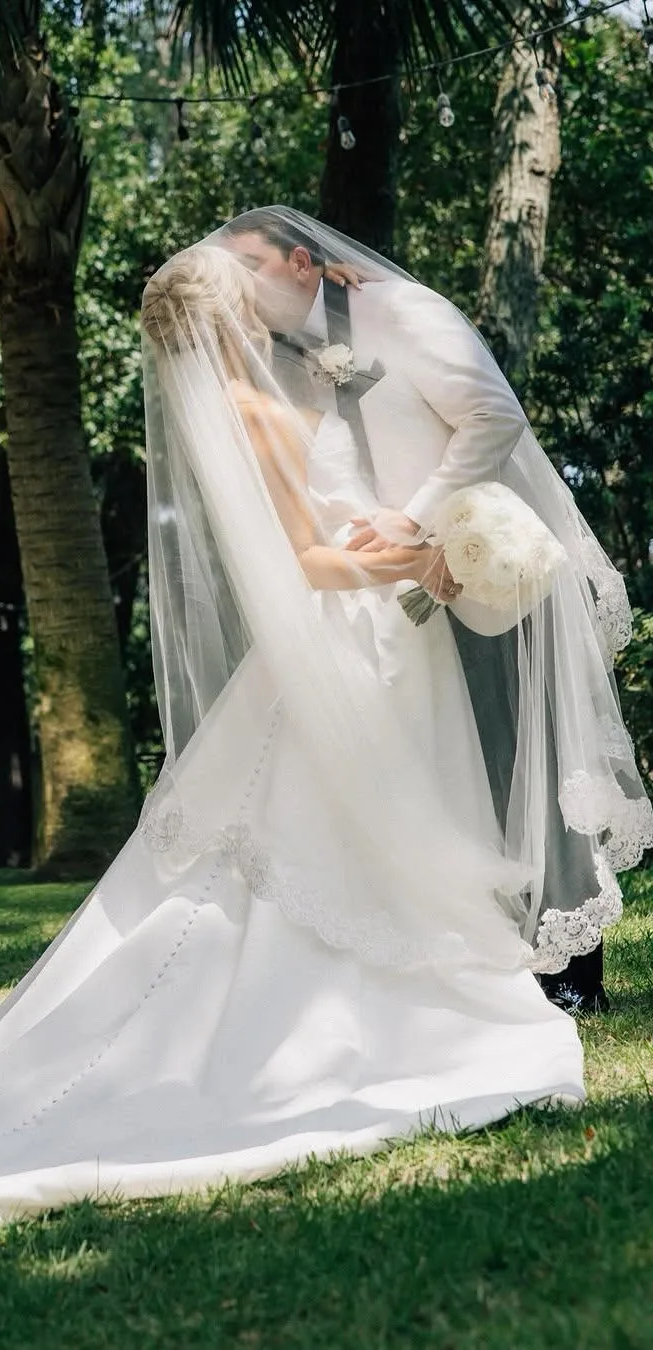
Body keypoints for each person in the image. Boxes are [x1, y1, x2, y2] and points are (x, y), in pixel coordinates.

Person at [0, 215, 642, 1269]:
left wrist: (415, 542)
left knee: (356, 819)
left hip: (367, 643)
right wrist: (417, 562)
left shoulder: (274, 390)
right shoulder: (259, 410)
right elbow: (312, 562)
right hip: (359, 632)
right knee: (344, 827)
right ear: (237, 314)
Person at [219, 207, 650, 1007]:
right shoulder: (275, 358)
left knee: (533, 761)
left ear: (304, 262)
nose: (239, 281)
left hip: (493, 563)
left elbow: (494, 415)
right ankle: (507, 953)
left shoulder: (404, 313)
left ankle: (573, 967)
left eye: (250, 264)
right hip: (401, 589)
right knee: (467, 776)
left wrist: (417, 519)